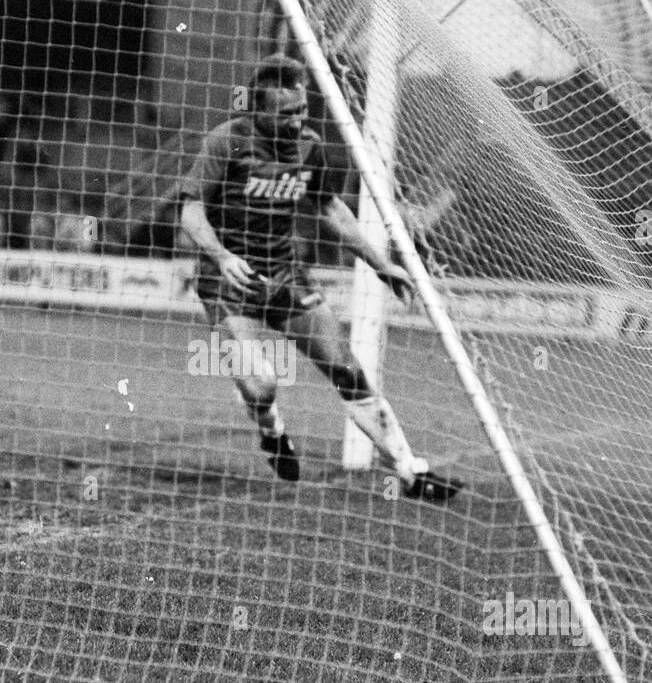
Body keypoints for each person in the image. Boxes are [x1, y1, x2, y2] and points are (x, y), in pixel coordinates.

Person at [179, 54, 462, 500]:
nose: (296, 122)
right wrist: (221, 256)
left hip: (286, 278)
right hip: (230, 284)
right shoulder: (226, 142)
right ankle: (272, 430)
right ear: (258, 110)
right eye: (284, 114)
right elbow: (191, 211)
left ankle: (411, 473)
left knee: (348, 370)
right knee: (262, 384)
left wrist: (380, 263)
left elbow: (330, 209)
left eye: (302, 111)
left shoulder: (311, 148)